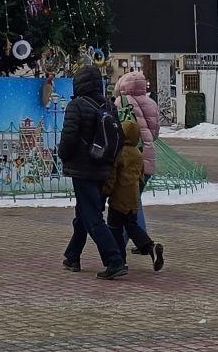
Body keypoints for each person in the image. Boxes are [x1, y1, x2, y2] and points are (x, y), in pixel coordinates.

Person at [57, 63, 127, 279]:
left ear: (79, 83)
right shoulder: (109, 105)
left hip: (82, 168)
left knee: (92, 216)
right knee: (84, 213)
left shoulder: (77, 105)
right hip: (103, 166)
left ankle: (114, 260)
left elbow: (69, 137)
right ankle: (72, 255)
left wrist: (63, 155)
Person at [103, 116, 164, 272]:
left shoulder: (120, 153)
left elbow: (112, 177)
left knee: (115, 229)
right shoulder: (138, 153)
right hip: (133, 198)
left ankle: (119, 261)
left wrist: (105, 192)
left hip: (118, 199)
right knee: (132, 226)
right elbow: (141, 177)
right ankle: (149, 247)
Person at [111, 69, 162, 251]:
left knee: (130, 203)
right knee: (134, 200)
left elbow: (116, 132)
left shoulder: (120, 102)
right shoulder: (151, 103)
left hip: (127, 157)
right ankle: (140, 242)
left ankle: (141, 242)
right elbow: (155, 134)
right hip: (145, 158)